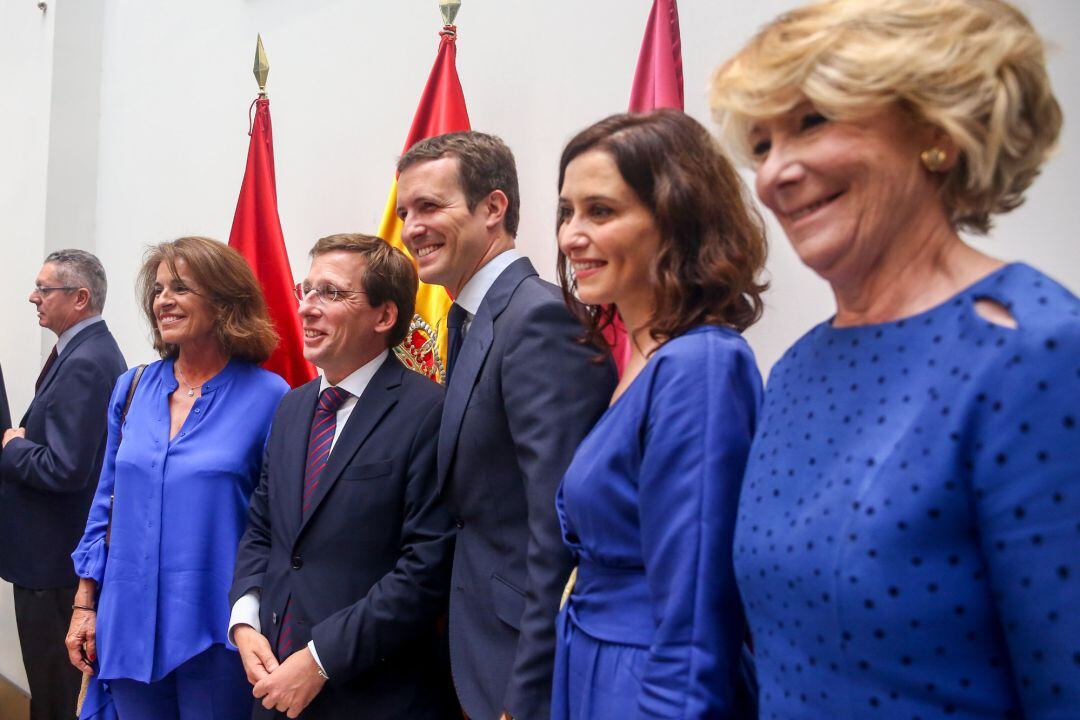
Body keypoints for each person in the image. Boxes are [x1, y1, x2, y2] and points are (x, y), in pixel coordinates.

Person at [710, 0, 1078, 716]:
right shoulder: (796, 369)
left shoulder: (1036, 355)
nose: (775, 174)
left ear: (934, 130)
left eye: (812, 122)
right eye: (760, 145)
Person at [551, 110, 767, 719]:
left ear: (676, 220)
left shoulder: (700, 366)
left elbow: (698, 615)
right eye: (567, 212)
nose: (570, 235)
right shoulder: (639, 360)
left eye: (600, 211)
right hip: (592, 660)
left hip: (649, 681)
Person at [396, 132, 616, 720]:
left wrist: (528, 692)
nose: (411, 227)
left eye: (429, 207)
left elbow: (560, 525)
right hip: (474, 650)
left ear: (492, 208)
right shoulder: (472, 321)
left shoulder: (537, 317)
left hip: (522, 666)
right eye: (404, 213)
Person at [229, 234, 455, 720]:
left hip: (373, 694)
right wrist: (245, 620)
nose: (307, 308)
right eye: (305, 290)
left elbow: (424, 570)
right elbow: (264, 527)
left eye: (330, 293)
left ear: (384, 315)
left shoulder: (429, 413)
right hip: (272, 684)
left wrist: (318, 661)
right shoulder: (292, 407)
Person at [66, 236, 289, 719]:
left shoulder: (271, 396)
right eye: (159, 289)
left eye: (182, 288)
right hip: (125, 623)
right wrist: (85, 604)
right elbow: (106, 500)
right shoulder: (133, 388)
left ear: (226, 301)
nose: (163, 300)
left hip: (217, 631)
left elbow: (277, 521)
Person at [0, 250, 126, 720]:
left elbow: (64, 468)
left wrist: (12, 446)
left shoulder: (87, 362)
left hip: (53, 565)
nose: (33, 297)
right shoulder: (81, 350)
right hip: (51, 558)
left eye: (44, 289)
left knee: (55, 690)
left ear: (80, 298)